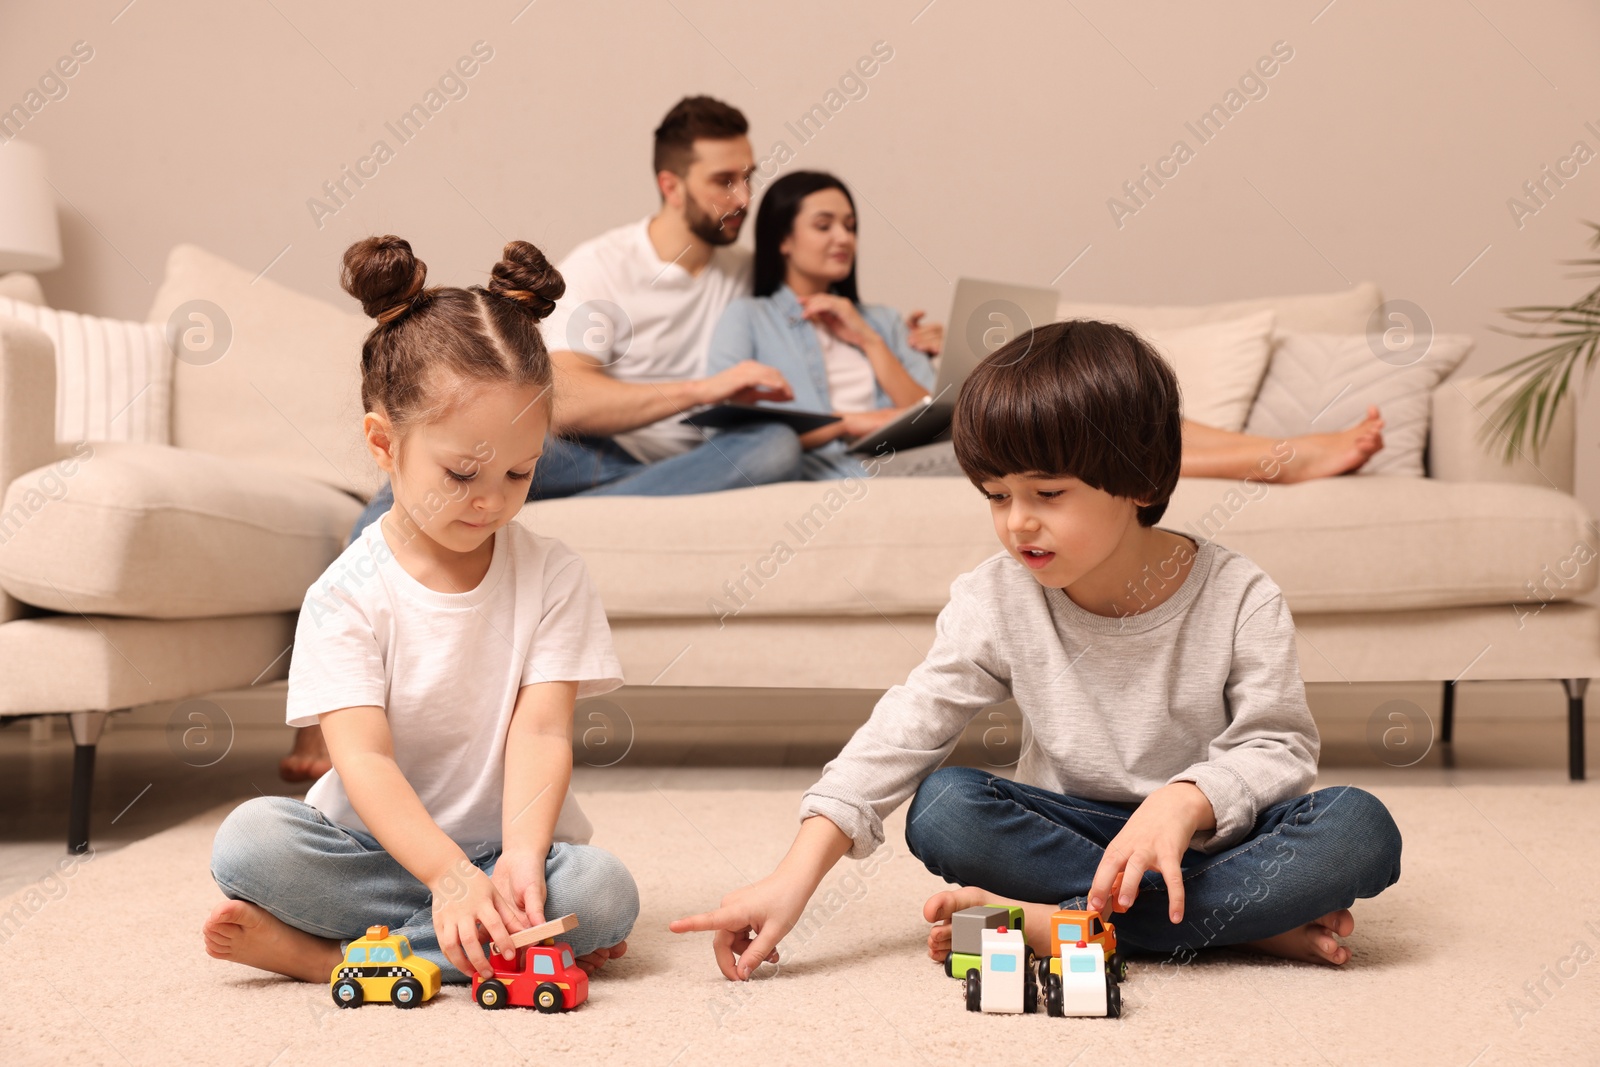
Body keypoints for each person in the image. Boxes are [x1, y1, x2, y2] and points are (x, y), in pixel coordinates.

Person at [670, 318, 1402, 980]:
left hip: (1208, 841)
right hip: (1071, 829)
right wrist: (795, 873)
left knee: (1357, 827)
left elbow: (1279, 748)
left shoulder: (1241, 595)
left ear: (1140, 479)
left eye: (1048, 494)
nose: (1018, 524)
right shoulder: (998, 596)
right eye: (995, 495)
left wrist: (1188, 799)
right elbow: (907, 725)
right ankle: (1236, 927)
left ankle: (1074, 920)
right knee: (946, 807)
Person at [280, 96, 940, 780]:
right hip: (590, 450)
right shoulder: (609, 268)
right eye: (723, 180)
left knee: (773, 445)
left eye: (749, 177)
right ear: (671, 184)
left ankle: (553, 489)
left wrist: (901, 337)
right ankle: (323, 717)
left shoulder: (748, 276)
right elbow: (559, 394)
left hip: (696, 458)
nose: (742, 196)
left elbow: (814, 322)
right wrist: (698, 392)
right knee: (413, 489)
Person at [204, 235, 638, 988]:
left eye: (520, 471)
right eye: (462, 472)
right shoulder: (345, 593)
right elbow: (361, 758)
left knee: (602, 893)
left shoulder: (554, 575)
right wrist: (445, 877)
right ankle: (499, 944)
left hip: (508, 851)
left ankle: (341, 958)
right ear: (384, 443)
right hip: (375, 852)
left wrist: (522, 865)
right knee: (246, 844)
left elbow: (540, 731)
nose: (492, 499)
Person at [705, 170, 948, 480]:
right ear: (783, 240)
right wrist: (848, 422)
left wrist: (869, 341)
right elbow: (725, 439)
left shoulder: (884, 321)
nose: (844, 238)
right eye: (823, 226)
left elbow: (934, 422)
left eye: (850, 227)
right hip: (814, 471)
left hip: (891, 466)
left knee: (987, 446)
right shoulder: (749, 318)